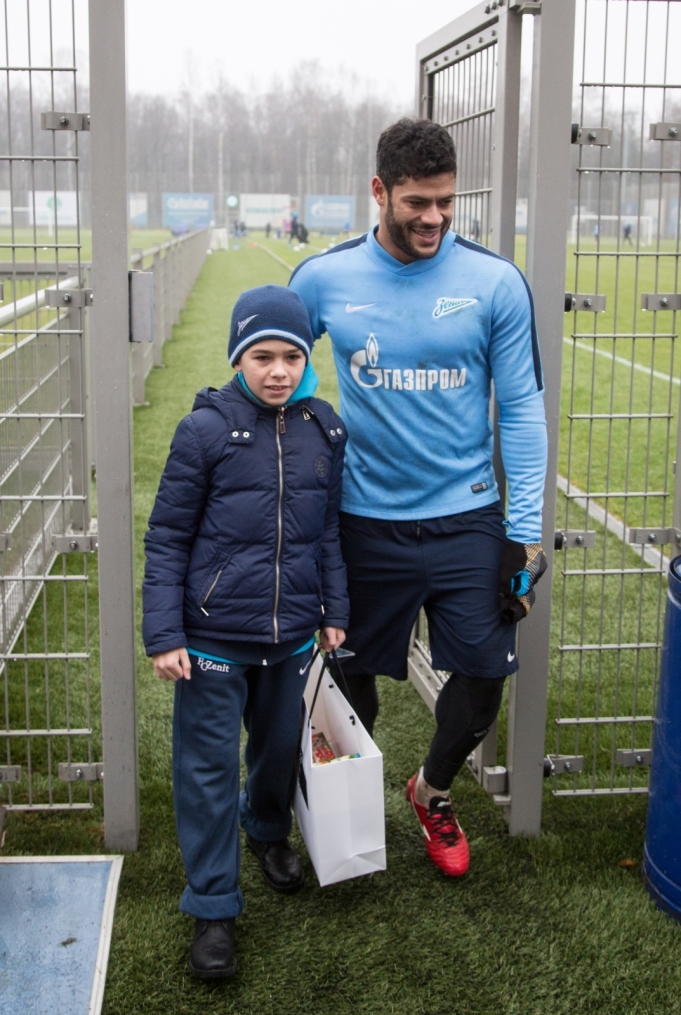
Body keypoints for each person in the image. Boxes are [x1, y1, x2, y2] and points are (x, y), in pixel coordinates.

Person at [289, 118, 547, 878]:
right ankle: (345, 799)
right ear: (379, 191)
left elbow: (523, 406)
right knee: (347, 678)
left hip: (466, 516)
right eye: (415, 202)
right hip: (362, 519)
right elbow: (278, 380)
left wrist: (522, 531)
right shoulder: (322, 279)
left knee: (484, 671)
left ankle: (429, 790)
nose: (433, 218)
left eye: (444, 201)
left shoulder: (495, 281)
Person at [142, 284, 349, 978]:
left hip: (291, 637)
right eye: (261, 355)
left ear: (305, 357)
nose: (277, 370)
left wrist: (332, 610)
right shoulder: (203, 430)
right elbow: (167, 537)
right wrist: (164, 631)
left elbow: (326, 536)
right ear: (237, 357)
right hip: (209, 642)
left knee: (275, 749)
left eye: (291, 355)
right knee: (204, 771)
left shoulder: (325, 429)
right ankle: (212, 907)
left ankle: (266, 831)